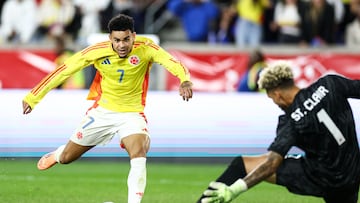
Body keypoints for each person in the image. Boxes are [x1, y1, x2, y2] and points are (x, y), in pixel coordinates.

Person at [22, 14, 193, 203]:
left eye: (126, 39)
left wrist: (184, 80)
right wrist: (33, 96)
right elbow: (64, 70)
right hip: (102, 112)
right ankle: (58, 154)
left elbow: (174, 63)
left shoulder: (146, 48)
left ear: (134, 36)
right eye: (117, 40)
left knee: (138, 152)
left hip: (132, 113)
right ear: (110, 38)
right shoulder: (97, 51)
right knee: (68, 157)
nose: (122, 45)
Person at [198, 61, 360, 203]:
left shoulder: (290, 121)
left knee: (242, 164)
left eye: (271, 98)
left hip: (322, 178)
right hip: (352, 174)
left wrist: (235, 189)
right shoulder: (330, 84)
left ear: (277, 94)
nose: (275, 103)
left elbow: (271, 164)